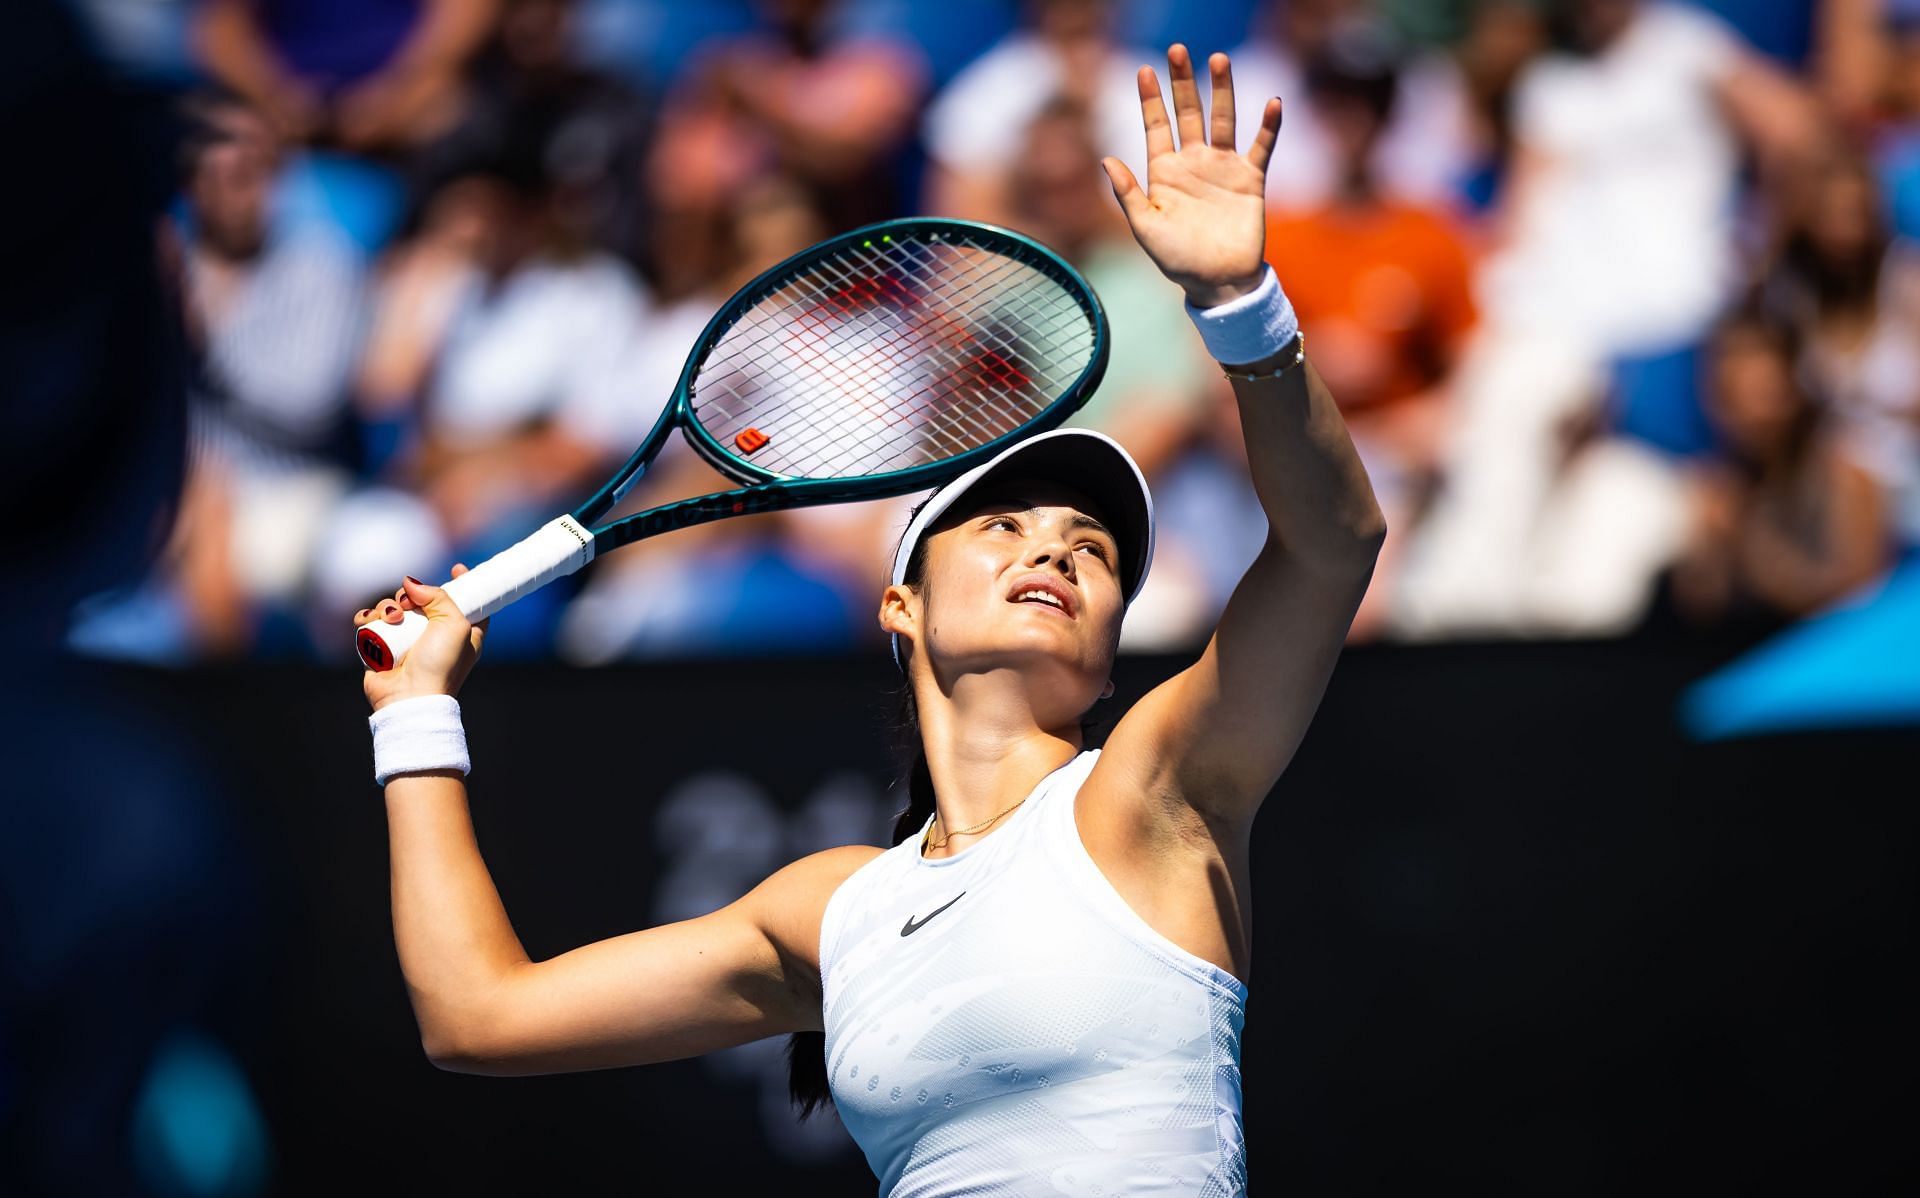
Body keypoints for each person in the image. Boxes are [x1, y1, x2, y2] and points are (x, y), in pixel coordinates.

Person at [352, 46, 1384, 1194]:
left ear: (1106, 665)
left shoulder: (1153, 789)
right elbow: (478, 1014)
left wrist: (1240, 307)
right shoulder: (831, 909)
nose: (1052, 545)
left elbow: (1332, 542)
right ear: (900, 604)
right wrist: (415, 713)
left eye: (1093, 550)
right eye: (1001, 527)